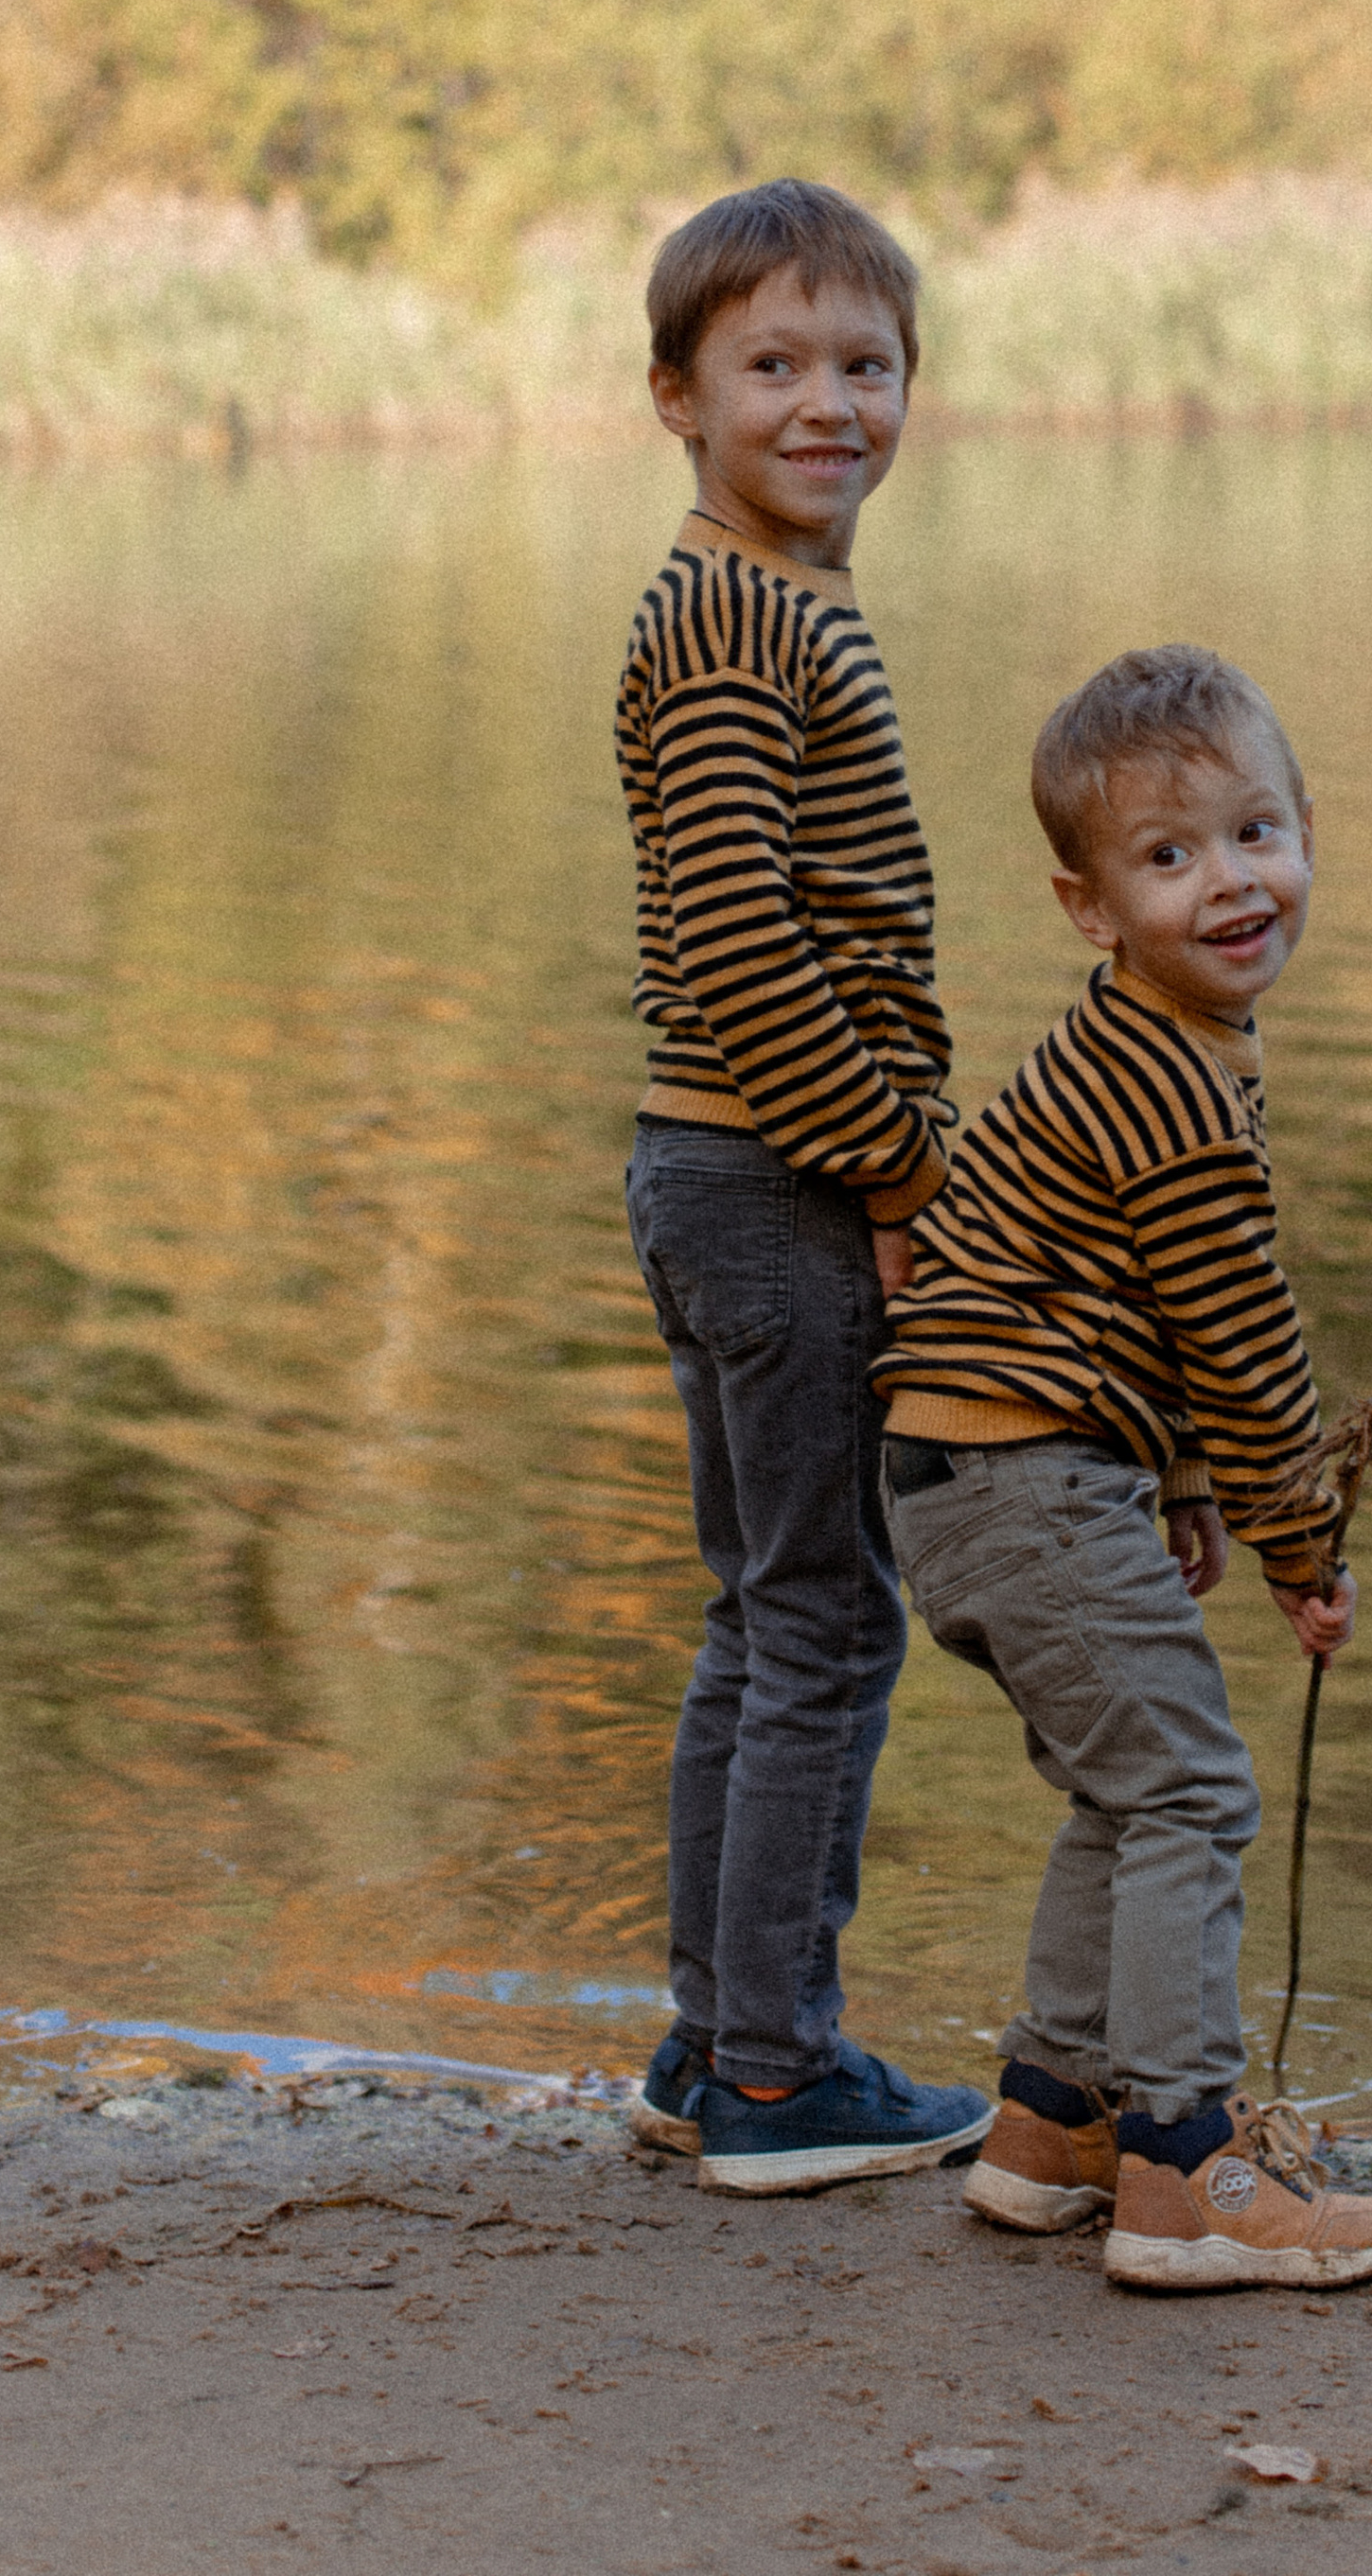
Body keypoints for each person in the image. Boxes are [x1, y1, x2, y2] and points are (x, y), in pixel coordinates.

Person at [873, 644, 1372, 2289]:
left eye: (1255, 834)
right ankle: (1187, 2167)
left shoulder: (1142, 1046)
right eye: (1170, 858)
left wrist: (1173, 1482)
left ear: (1307, 827)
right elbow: (1243, 1345)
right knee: (1190, 1789)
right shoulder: (1178, 1091)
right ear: (1091, 908)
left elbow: (1112, 1297)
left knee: (1126, 1790)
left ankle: (1053, 2123)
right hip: (1022, 1473)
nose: (1231, 883)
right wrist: (1300, 1545)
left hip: (971, 1472)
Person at [615, 180, 989, 2197]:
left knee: (767, 1615)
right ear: (677, 397)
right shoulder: (733, 619)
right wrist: (901, 1178)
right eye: (773, 364)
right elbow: (750, 956)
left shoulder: (765, 602)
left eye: (866, 363)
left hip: (733, 1171)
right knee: (830, 1622)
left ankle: (713, 2042)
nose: (829, 403)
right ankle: (776, 2075)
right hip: (772, 1180)